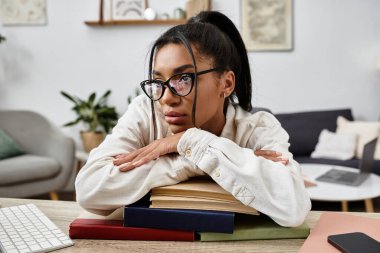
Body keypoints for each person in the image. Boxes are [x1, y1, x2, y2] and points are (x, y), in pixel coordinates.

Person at [75, 11, 311, 227]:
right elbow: (89, 190)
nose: (167, 98)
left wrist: (190, 141)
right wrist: (190, 160)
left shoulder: (258, 127)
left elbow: (293, 208)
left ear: (226, 83)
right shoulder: (146, 113)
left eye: (184, 79)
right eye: (158, 82)